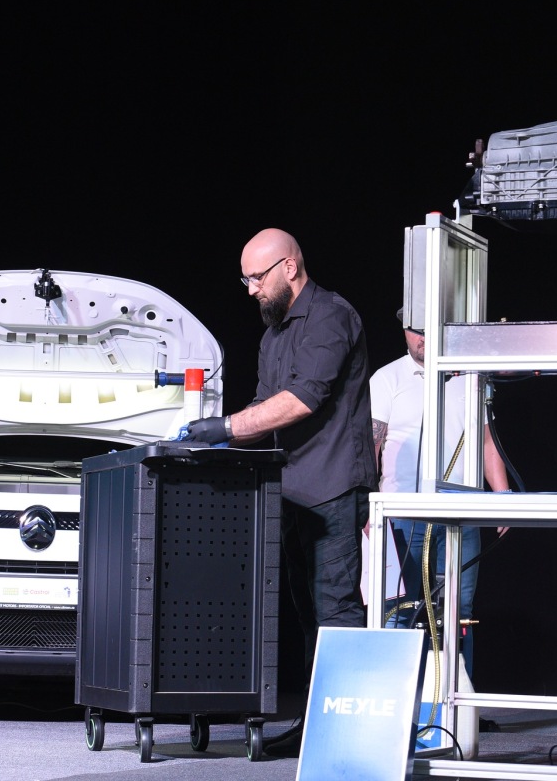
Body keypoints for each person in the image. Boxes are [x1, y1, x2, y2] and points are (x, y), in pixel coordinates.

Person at [184, 227, 378, 758]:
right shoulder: (273, 335)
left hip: (332, 487)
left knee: (336, 610)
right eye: (245, 280)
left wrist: (224, 429)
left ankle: (351, 738)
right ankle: (319, 725)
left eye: (256, 278)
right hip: (291, 491)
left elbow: (301, 400)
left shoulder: (332, 316)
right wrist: (216, 437)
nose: (251, 290)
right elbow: (263, 407)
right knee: (309, 612)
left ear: (289, 267)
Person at [369, 308, 510, 672]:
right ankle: (396, 695)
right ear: (404, 331)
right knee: (397, 608)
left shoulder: (470, 379)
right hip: (402, 514)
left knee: (458, 612)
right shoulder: (388, 378)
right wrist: (366, 507)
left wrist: (502, 496)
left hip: (461, 512)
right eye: (415, 330)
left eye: (429, 329)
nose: (423, 338)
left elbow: (486, 441)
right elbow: (371, 446)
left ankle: (455, 698)